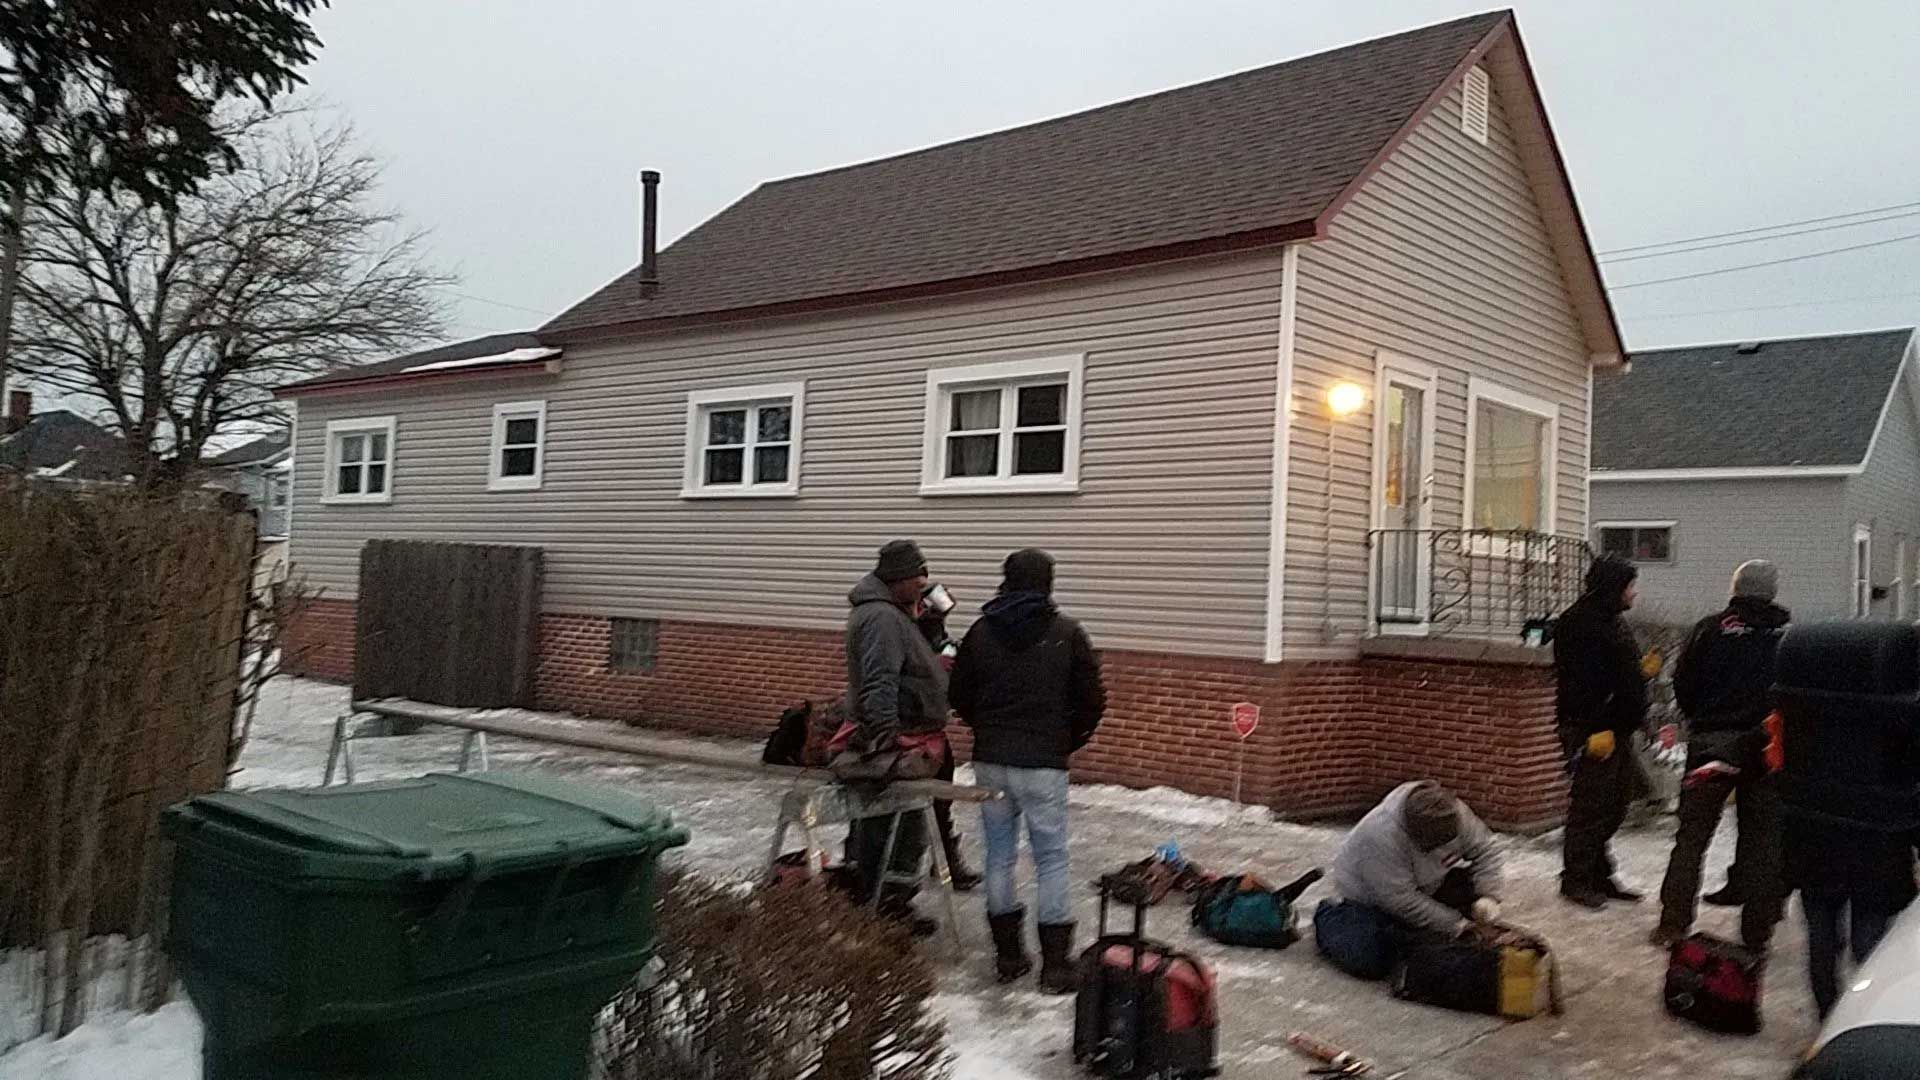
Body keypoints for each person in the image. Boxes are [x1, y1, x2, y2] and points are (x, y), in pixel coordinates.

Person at [948, 548, 1106, 992]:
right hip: (1043, 763)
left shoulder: (980, 632)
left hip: (992, 759)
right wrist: (1066, 740)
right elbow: (1092, 700)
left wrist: (986, 726)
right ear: (1047, 583)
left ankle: (1009, 957)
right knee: (1051, 856)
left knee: (999, 854)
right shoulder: (1067, 633)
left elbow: (959, 692)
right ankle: (1056, 966)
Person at [1651, 560, 1790, 950]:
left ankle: (1673, 925)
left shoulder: (1711, 629)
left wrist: (1702, 719)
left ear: (1736, 588)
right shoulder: (1788, 635)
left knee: (1692, 838)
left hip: (1713, 743)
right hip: (1767, 748)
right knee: (1765, 841)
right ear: (1772, 591)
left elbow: (1684, 682)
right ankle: (1756, 934)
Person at [844, 539, 950, 934]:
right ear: (896, 579)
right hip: (895, 737)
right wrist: (884, 737)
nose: (924, 583)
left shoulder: (896, 614)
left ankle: (891, 903)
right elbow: (879, 681)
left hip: (908, 733)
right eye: (917, 576)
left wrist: (930, 628)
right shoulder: (880, 619)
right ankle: (878, 905)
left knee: (903, 824)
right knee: (885, 825)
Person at [1314, 781, 1506, 980]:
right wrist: (1457, 925)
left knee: (1464, 898)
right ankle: (1329, 915)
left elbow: (1486, 850)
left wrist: (1488, 895)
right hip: (1367, 901)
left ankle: (1414, 933)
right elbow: (1401, 900)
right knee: (1369, 959)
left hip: (1427, 884)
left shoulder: (1454, 812)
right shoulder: (1380, 835)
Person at [1553, 555, 1651, 909]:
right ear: (1614, 587)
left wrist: (1639, 674)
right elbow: (1579, 684)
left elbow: (1616, 673)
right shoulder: (1579, 624)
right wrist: (1594, 727)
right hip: (1593, 732)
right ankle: (1575, 879)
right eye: (1629, 586)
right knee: (1590, 807)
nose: (1634, 594)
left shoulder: (1612, 621)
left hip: (1617, 730)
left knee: (1615, 805)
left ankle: (1599, 874)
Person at [914, 583, 983, 892]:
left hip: (932, 729)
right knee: (891, 803)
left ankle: (946, 860)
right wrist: (933, 667)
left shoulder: (934, 634)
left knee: (941, 797)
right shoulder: (898, 631)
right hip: (905, 729)